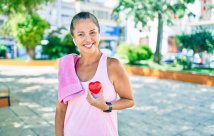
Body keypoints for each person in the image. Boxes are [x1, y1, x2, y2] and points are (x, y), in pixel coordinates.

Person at [55, 12, 135, 136]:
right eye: (81, 34)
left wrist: (106, 106)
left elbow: (129, 100)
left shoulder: (112, 66)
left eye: (92, 32)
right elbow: (61, 109)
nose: (88, 39)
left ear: (99, 33)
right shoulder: (68, 67)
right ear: (74, 38)